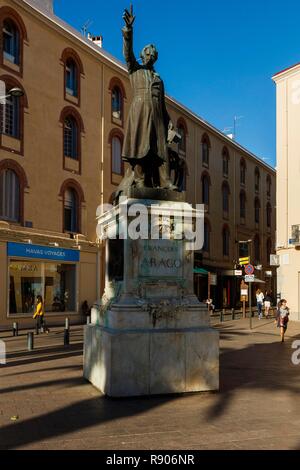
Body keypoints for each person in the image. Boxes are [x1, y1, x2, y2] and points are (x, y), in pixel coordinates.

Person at [121, 5, 179, 190]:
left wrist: (168, 122)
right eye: (146, 53)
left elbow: (162, 105)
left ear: (154, 58)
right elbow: (127, 54)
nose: (148, 56)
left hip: (157, 118)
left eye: (151, 54)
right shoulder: (134, 70)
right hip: (139, 112)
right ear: (141, 55)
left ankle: (165, 182)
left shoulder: (158, 79)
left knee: (160, 150)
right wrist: (129, 31)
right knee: (139, 147)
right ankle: (139, 180)